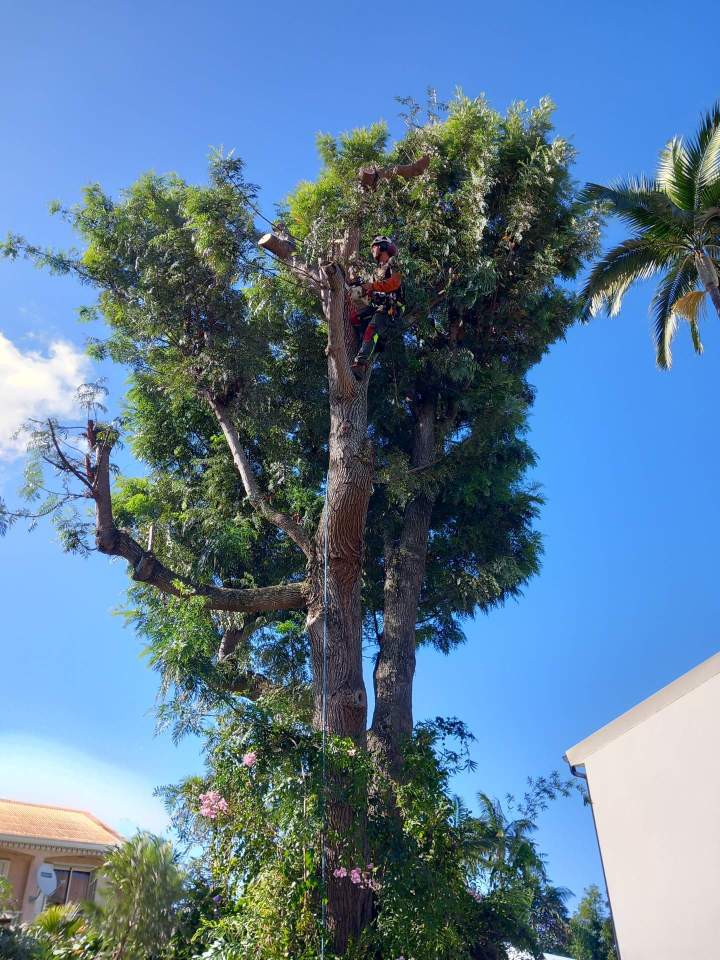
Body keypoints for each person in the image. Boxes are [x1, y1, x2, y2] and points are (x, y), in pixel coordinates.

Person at [350, 236, 402, 377]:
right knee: (354, 316)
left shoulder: (392, 262)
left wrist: (372, 286)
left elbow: (395, 283)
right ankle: (372, 341)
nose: (372, 249)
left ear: (383, 247)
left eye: (375, 246)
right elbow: (371, 290)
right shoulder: (375, 272)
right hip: (377, 305)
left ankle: (360, 364)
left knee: (372, 327)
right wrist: (360, 286)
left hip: (391, 306)